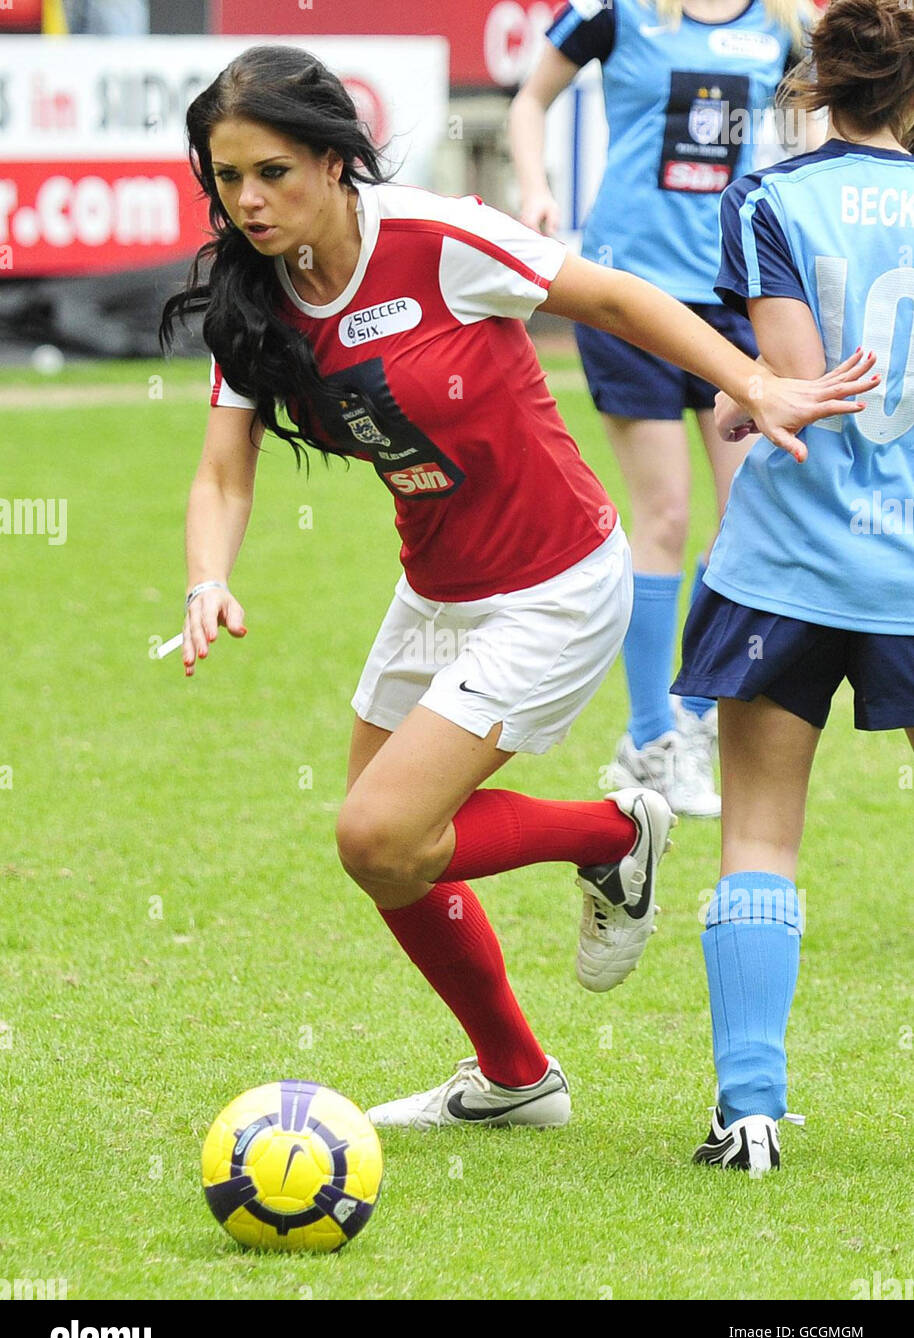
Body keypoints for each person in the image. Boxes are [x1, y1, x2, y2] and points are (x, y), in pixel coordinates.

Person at [160, 44, 873, 1132]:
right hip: (435, 592)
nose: (248, 202)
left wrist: (750, 380)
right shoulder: (251, 303)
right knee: (390, 859)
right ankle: (514, 1078)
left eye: (273, 173)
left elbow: (617, 298)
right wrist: (207, 579)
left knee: (375, 833)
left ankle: (611, 832)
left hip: (554, 582)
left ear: (333, 161)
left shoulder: (437, 238)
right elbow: (222, 468)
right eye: (226, 178)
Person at [671, 0, 914, 1172]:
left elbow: (794, 389)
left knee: (760, 833)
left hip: (787, 565)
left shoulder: (764, 197)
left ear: (815, 81)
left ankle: (750, 1111)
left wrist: (735, 398)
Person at [510, 0, 814, 816]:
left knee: (749, 521)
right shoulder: (616, 11)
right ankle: (652, 739)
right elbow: (530, 98)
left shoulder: (786, 18)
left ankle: (695, 720)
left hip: (735, 297)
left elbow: (836, 111)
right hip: (629, 297)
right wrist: (536, 189)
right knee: (666, 515)